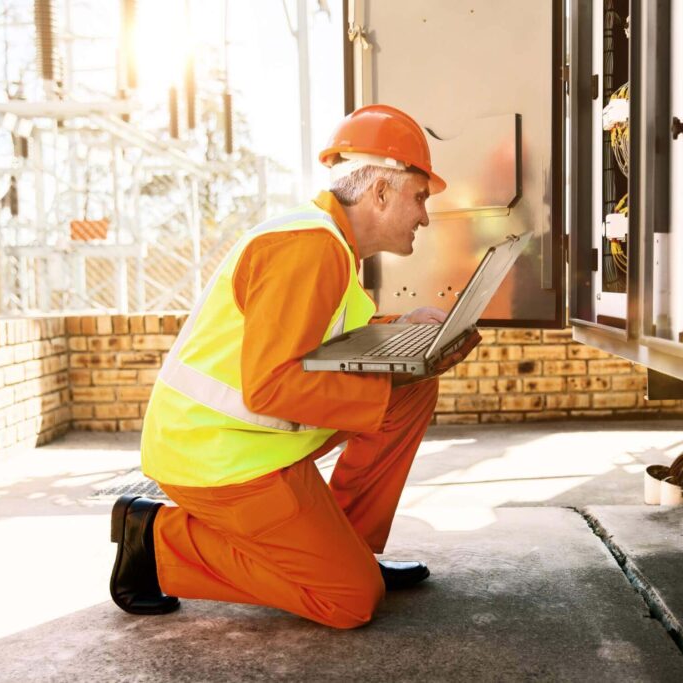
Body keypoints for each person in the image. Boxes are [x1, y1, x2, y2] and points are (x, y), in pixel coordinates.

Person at [108, 104, 480, 629]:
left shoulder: (331, 246)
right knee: (349, 601)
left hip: (249, 442)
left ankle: (349, 546)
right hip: (217, 456)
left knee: (410, 390)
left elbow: (323, 342)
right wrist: (384, 381)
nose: (424, 215)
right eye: (419, 197)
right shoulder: (307, 246)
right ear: (380, 192)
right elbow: (270, 385)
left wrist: (407, 331)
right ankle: (157, 542)